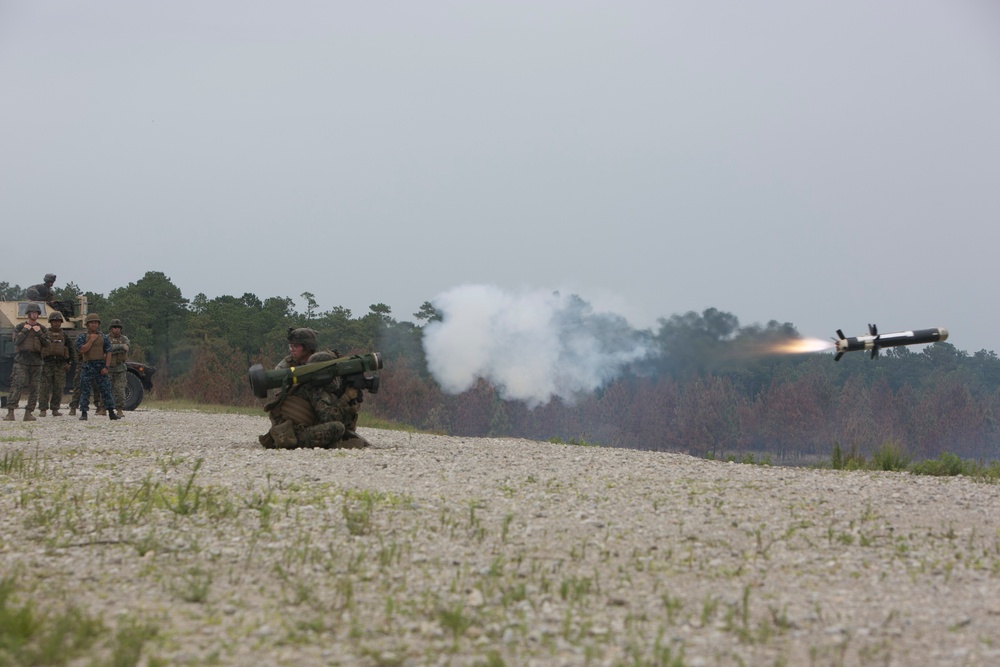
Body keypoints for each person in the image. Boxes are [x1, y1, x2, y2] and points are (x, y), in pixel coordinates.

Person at [258, 350, 368, 449]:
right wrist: (346, 398)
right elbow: (328, 417)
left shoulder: (312, 385)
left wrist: (350, 409)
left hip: (293, 431)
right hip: (293, 435)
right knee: (337, 427)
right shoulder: (314, 388)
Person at [4, 303, 48, 421]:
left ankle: (29, 412)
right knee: (17, 385)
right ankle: (10, 411)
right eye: (32, 312)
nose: (34, 314)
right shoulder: (20, 327)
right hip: (22, 360)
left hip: (36, 361)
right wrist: (25, 330)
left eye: (36, 313)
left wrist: (39, 333)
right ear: (28, 314)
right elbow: (16, 341)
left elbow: (47, 343)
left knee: (35, 388)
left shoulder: (42, 328)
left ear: (38, 315)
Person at [74, 313, 119, 421]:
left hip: (100, 366)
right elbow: (82, 350)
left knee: (106, 390)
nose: (94, 325)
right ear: (87, 324)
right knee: (85, 390)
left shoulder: (103, 337)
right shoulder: (82, 337)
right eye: (91, 323)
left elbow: (108, 352)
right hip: (87, 365)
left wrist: (106, 367)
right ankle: (84, 412)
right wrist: (91, 340)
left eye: (96, 323)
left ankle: (111, 411)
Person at [38, 311, 72, 417]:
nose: (56, 323)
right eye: (54, 321)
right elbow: (39, 348)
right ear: (50, 322)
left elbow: (71, 349)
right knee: (44, 387)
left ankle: (55, 409)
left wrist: (69, 362)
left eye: (58, 321)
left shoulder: (65, 335)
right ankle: (43, 409)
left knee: (58, 387)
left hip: (60, 364)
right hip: (47, 363)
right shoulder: (45, 334)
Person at [106, 318, 130, 418]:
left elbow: (127, 348)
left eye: (118, 327)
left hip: (120, 368)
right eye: (115, 327)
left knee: (120, 390)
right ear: (111, 328)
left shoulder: (125, 338)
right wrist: (120, 347)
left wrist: (112, 349)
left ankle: (119, 409)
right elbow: (106, 349)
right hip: (108, 368)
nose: (117, 329)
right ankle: (103, 408)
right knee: (106, 389)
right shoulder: (106, 338)